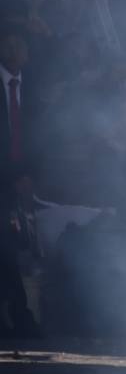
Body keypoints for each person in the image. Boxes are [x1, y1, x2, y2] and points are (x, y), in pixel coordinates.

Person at [0, 22, 42, 338]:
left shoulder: (32, 88)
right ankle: (20, 314)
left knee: (16, 247)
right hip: (5, 180)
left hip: (23, 181)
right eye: (9, 44)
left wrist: (29, 176)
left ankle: (18, 313)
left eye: (19, 45)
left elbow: (39, 136)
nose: (15, 51)